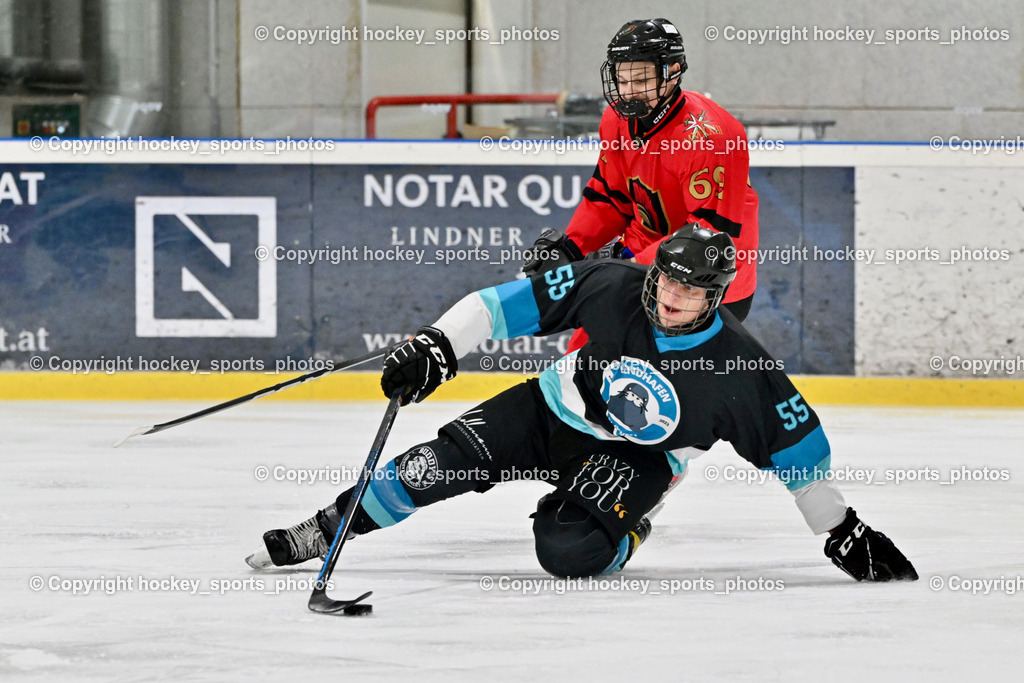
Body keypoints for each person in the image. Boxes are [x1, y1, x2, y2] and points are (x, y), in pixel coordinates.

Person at [247, 224, 917, 583]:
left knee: (567, 553)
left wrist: (842, 530)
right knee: (431, 466)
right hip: (553, 409)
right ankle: (325, 527)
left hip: (639, 456)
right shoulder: (614, 283)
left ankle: (631, 525)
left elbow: (800, 455)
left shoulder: (739, 368)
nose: (669, 297)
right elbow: (498, 305)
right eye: (666, 280)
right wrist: (438, 346)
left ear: (715, 298)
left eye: (689, 291)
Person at [523, 17, 760, 328]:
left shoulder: (709, 136)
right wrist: (572, 247)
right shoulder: (615, 120)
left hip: (704, 285)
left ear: (673, 72)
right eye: (622, 81)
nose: (628, 92)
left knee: (644, 357)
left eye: (640, 81)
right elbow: (610, 197)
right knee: (586, 350)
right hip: (641, 259)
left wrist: (625, 265)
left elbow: (709, 237)